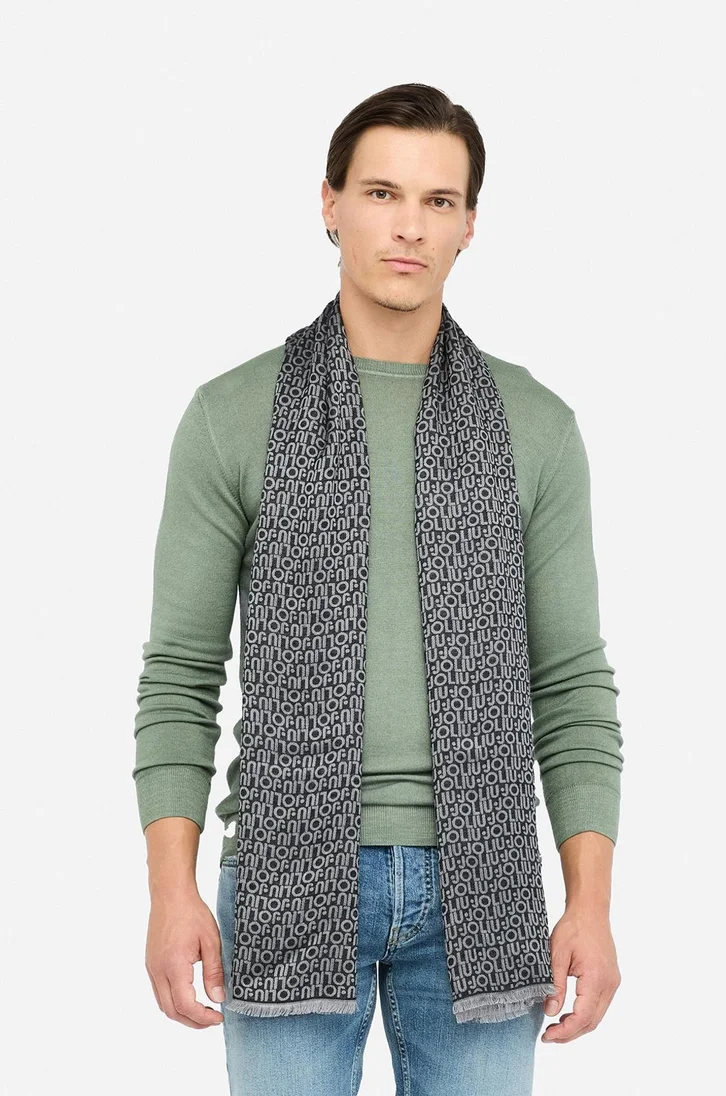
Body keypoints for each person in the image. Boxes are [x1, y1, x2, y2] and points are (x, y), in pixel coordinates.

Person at [133, 82, 624, 1095]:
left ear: (470, 224)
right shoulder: (232, 415)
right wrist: (170, 892)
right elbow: (180, 674)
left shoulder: (535, 426)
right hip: (285, 877)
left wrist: (591, 903)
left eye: (439, 201)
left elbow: (571, 682)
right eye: (381, 193)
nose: (410, 226)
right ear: (329, 203)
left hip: (485, 887)